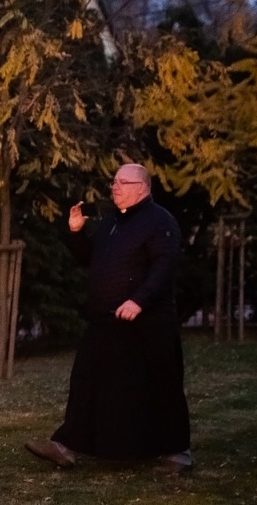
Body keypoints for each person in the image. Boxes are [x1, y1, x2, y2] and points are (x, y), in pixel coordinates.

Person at [26, 163, 193, 472]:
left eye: (122, 182)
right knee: (87, 381)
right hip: (105, 320)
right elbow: (90, 259)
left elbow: (164, 267)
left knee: (160, 383)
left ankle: (176, 453)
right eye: (114, 182)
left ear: (142, 188)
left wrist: (139, 300)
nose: (114, 187)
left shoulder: (160, 222)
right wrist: (76, 233)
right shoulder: (111, 222)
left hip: (148, 319)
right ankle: (66, 447)